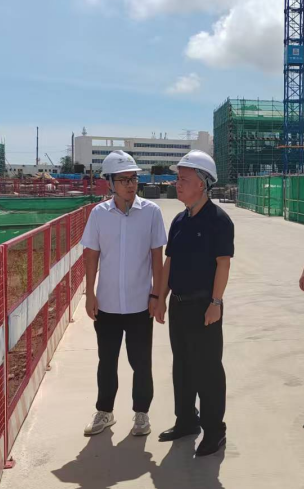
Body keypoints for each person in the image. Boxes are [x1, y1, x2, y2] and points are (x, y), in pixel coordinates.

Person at [81, 150, 167, 437]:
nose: (131, 184)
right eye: (124, 180)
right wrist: (90, 294)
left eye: (134, 178)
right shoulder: (99, 214)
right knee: (107, 362)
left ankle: (141, 414)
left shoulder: (151, 212)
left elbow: (157, 258)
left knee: (141, 363)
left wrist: (157, 296)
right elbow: (91, 255)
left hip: (140, 304)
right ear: (110, 183)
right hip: (107, 304)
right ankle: (105, 412)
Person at [155, 150, 234, 457]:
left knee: (208, 370)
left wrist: (216, 302)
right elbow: (169, 262)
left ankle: (215, 431)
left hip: (204, 307)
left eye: (184, 179)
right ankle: (187, 420)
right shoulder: (179, 220)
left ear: (202, 183)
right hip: (179, 305)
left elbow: (223, 264)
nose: (177, 184)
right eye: (177, 178)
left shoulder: (218, 220)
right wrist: (160, 298)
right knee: (183, 366)